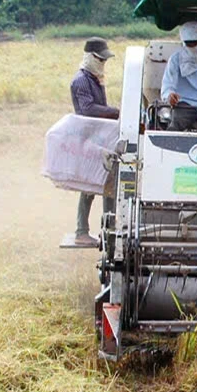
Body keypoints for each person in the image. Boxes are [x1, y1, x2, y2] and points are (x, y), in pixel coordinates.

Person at [70, 37, 118, 246]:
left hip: (98, 136)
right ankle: (82, 231)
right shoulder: (81, 81)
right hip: (89, 138)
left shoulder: (95, 79)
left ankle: (109, 230)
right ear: (90, 58)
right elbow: (88, 109)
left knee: (107, 183)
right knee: (91, 185)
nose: (103, 63)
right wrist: (115, 112)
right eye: (100, 59)